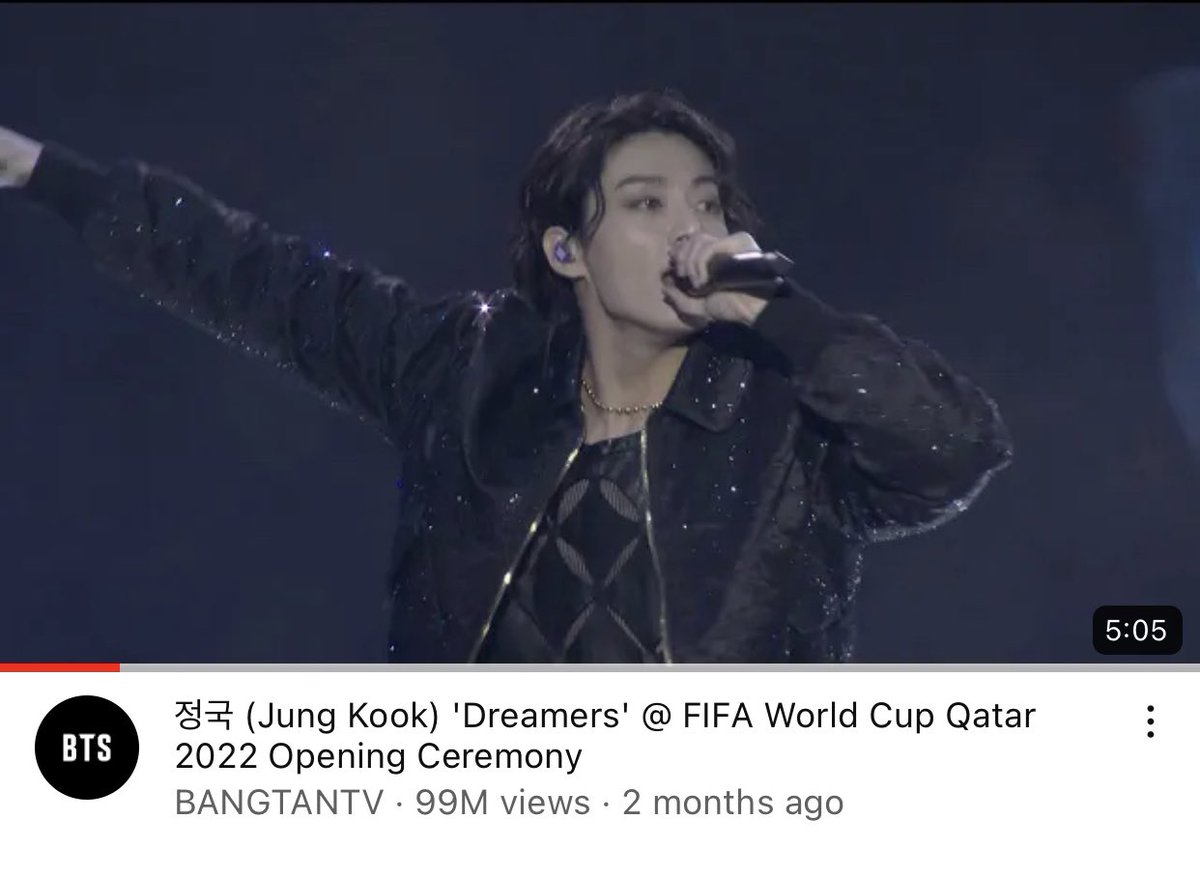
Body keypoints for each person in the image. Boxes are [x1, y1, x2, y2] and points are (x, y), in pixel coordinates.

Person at [0, 89, 1012, 663]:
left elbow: (952, 448)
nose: (691, 228)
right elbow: (261, 279)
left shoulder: (788, 418)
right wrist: (42, 173)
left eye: (706, 202)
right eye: (648, 203)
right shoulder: (466, 370)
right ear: (568, 249)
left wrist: (784, 317)